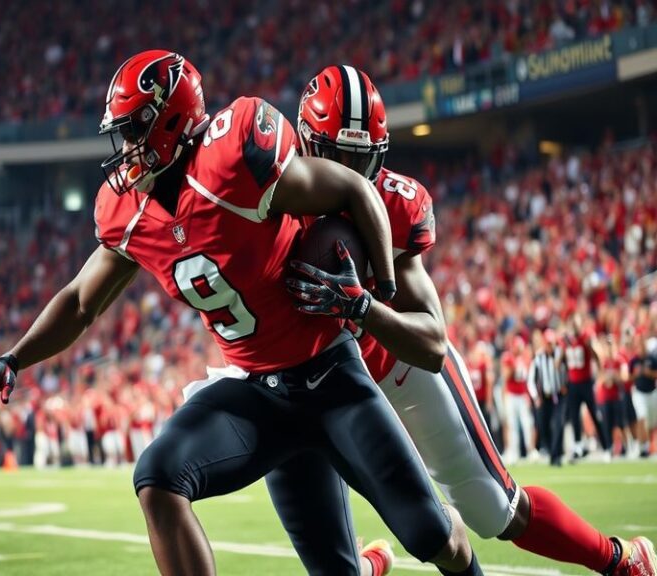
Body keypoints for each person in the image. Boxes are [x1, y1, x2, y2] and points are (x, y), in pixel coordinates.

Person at [0, 50, 482, 576]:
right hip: (259, 393)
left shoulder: (233, 159)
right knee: (158, 476)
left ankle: (450, 543)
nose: (126, 150)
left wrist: (376, 293)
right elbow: (78, 302)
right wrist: (13, 358)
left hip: (333, 379)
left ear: (171, 119)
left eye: (135, 130)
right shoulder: (129, 211)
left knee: (433, 540)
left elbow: (354, 187)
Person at [269, 64, 657, 576]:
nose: (350, 172)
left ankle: (619, 559)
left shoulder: (393, 203)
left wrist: (360, 306)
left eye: (362, 157)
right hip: (318, 376)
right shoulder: (269, 199)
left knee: (493, 508)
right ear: (305, 144)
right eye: (338, 155)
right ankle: (364, 564)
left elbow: (431, 340)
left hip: (396, 366)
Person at [563, 315, 611, 458]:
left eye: (576, 325)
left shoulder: (586, 337)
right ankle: (577, 445)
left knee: (594, 414)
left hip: (585, 382)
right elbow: (563, 362)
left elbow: (596, 355)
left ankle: (606, 446)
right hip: (573, 383)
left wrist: (600, 372)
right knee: (574, 416)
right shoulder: (567, 342)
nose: (574, 328)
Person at [527, 329, 567, 466]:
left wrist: (565, 384)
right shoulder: (538, 358)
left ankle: (556, 456)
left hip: (559, 395)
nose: (550, 347)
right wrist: (536, 397)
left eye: (552, 343)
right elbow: (531, 380)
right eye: (548, 344)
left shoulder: (561, 355)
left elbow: (569, 369)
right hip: (545, 397)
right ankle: (552, 452)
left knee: (558, 423)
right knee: (544, 426)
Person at [501, 335, 539, 463]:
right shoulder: (508, 358)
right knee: (512, 424)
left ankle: (531, 450)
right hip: (511, 395)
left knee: (527, 423)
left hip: (522, 395)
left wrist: (528, 395)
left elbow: (528, 379)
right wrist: (513, 366)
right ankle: (513, 452)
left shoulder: (525, 358)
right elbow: (506, 377)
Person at [630, 334, 657, 457]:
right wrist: (636, 374)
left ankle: (648, 444)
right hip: (639, 393)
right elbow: (628, 377)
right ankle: (643, 446)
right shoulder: (634, 360)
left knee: (651, 421)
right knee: (642, 417)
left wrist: (649, 373)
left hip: (651, 392)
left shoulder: (651, 358)